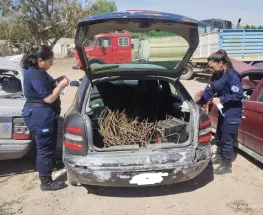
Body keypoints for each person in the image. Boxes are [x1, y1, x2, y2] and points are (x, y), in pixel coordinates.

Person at [21, 45, 69, 191]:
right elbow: (48, 98)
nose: (51, 64)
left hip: (43, 115)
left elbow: (45, 87)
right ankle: (46, 182)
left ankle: (50, 165)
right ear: (40, 60)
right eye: (49, 62)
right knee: (45, 148)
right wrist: (60, 85)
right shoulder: (34, 74)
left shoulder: (39, 71)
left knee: (48, 144)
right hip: (40, 116)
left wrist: (56, 81)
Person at [196, 49, 243, 175]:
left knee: (227, 139)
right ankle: (220, 157)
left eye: (213, 67)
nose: (212, 70)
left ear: (220, 62)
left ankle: (226, 165)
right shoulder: (217, 75)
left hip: (232, 112)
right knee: (220, 136)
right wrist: (199, 103)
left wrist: (221, 99)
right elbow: (208, 92)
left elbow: (238, 95)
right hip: (223, 112)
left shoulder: (232, 75)